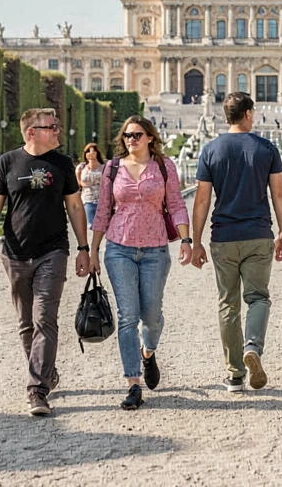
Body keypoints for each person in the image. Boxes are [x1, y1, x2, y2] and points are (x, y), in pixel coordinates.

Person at [0, 107, 91, 417]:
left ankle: (36, 389)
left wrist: (83, 248)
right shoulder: (8, 162)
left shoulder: (63, 164)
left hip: (52, 251)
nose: (58, 131)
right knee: (26, 324)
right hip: (15, 252)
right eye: (51, 127)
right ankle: (45, 371)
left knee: (45, 319)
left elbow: (75, 207)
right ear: (32, 132)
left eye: (56, 126)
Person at [187, 91, 282, 393]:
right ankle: (253, 348)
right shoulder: (266, 148)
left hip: (223, 236)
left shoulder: (211, 149)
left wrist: (196, 241)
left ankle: (234, 374)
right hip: (258, 234)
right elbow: (279, 194)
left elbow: (202, 199)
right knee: (258, 297)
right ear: (248, 114)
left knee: (227, 304)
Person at [88, 116, 190, 410]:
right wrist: (93, 249)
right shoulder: (112, 168)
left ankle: (149, 351)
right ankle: (133, 382)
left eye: (136, 134)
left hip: (156, 248)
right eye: (127, 135)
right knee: (128, 315)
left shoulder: (164, 166)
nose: (131, 139)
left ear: (149, 137)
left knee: (152, 315)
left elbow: (177, 205)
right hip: (119, 247)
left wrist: (186, 241)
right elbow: (103, 211)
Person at [75, 143, 104, 227]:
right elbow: (79, 182)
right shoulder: (81, 167)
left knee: (102, 225)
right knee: (91, 224)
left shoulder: (104, 167)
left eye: (93, 151)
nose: (91, 153)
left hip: (102, 198)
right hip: (88, 197)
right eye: (88, 151)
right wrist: (85, 184)